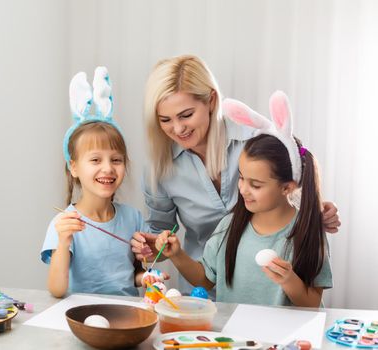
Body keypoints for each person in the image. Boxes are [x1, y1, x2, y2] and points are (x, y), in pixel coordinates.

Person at [131, 55, 340, 294]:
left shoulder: (254, 141)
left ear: (211, 101)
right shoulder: (160, 167)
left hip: (269, 288)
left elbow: (289, 190)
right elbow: (161, 229)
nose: (178, 129)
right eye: (165, 120)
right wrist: (152, 247)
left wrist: (316, 208)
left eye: (186, 115)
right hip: (202, 286)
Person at [154, 91, 332, 306]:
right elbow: (205, 279)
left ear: (287, 187)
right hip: (236, 337)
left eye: (255, 185)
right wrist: (178, 255)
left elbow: (312, 303)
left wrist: (289, 280)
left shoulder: (308, 232)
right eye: (241, 178)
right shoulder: (231, 225)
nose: (243, 189)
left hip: (285, 338)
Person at [41, 67, 167, 298]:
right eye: (96, 159)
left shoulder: (133, 218)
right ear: (74, 167)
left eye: (116, 160)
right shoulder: (64, 223)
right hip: (82, 318)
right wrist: (63, 241)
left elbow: (133, 277)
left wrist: (148, 277)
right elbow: (57, 290)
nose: (108, 168)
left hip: (128, 317)